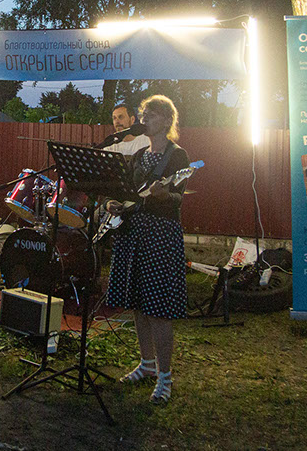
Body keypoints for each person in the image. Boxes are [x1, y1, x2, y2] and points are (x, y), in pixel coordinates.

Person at [104, 95, 190, 404]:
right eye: (143, 114)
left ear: (167, 120)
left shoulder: (177, 156)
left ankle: (165, 377)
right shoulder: (139, 155)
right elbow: (123, 192)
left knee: (159, 308)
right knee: (139, 304)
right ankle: (147, 364)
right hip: (133, 233)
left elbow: (178, 198)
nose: (144, 119)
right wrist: (111, 203)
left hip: (160, 236)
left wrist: (164, 195)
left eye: (150, 115)